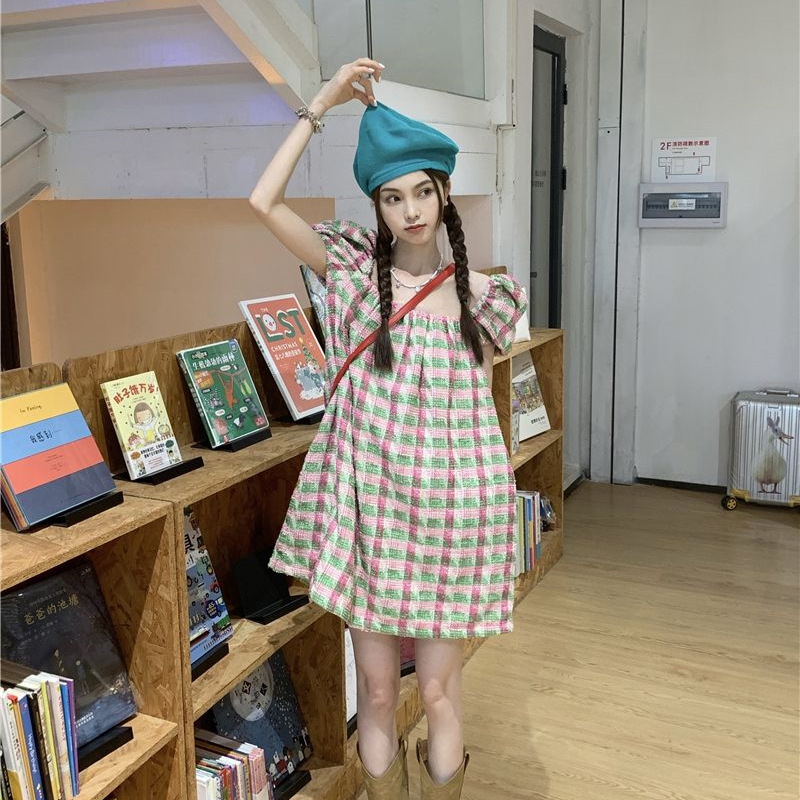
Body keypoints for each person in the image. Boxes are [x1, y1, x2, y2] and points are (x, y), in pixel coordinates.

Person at [249, 58, 527, 800]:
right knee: (376, 691)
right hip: (371, 513)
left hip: (449, 519)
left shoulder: (484, 298)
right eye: (392, 197)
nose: (410, 211)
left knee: (437, 693)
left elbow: (477, 422)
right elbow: (263, 200)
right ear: (376, 206)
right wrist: (322, 102)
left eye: (423, 192)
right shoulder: (348, 274)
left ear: (445, 193)